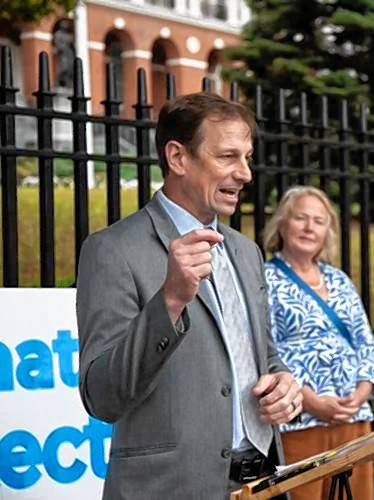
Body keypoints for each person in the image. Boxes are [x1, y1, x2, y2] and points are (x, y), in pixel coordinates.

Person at [76, 92, 302, 499]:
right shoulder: (111, 251)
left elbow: (262, 356)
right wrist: (170, 301)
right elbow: (101, 396)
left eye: (247, 157)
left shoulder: (246, 252)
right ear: (178, 158)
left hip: (261, 484)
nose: (246, 173)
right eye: (228, 157)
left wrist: (284, 384)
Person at [263, 186, 374, 500]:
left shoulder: (340, 280)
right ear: (282, 225)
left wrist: (361, 393)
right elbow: (263, 350)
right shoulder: (264, 279)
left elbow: (365, 343)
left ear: (328, 231)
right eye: (300, 218)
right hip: (300, 421)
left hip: (352, 419)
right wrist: (311, 401)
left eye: (318, 221)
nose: (308, 227)